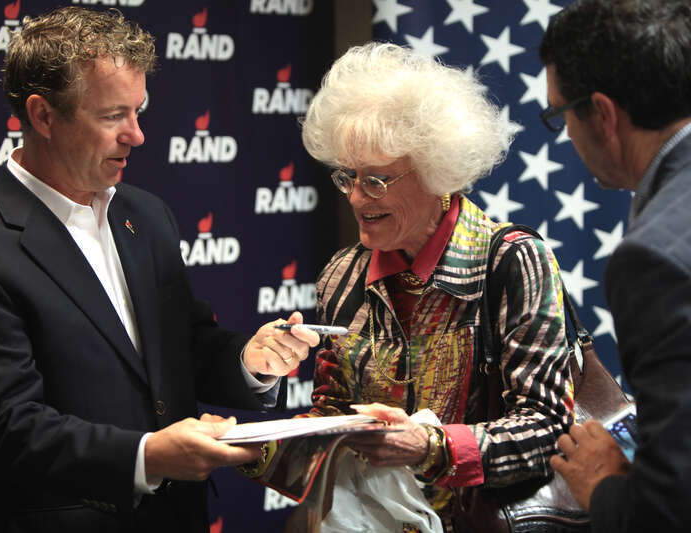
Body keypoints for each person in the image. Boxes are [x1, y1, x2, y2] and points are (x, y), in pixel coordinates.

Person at [0, 7, 318, 533]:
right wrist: (148, 455)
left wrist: (250, 359)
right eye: (112, 117)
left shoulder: (147, 215)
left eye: (139, 112)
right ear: (42, 116)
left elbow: (185, 347)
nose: (137, 135)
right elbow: (8, 430)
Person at [295, 42, 574, 530]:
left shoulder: (512, 262)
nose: (357, 198)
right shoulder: (342, 274)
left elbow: (549, 429)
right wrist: (258, 446)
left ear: (435, 171)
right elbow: (333, 413)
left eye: (377, 181)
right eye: (348, 177)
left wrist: (432, 448)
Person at [539, 1, 691, 530]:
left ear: (602, 114)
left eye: (559, 115)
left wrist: (602, 483)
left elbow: (672, 511)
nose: (567, 135)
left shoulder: (655, 261)